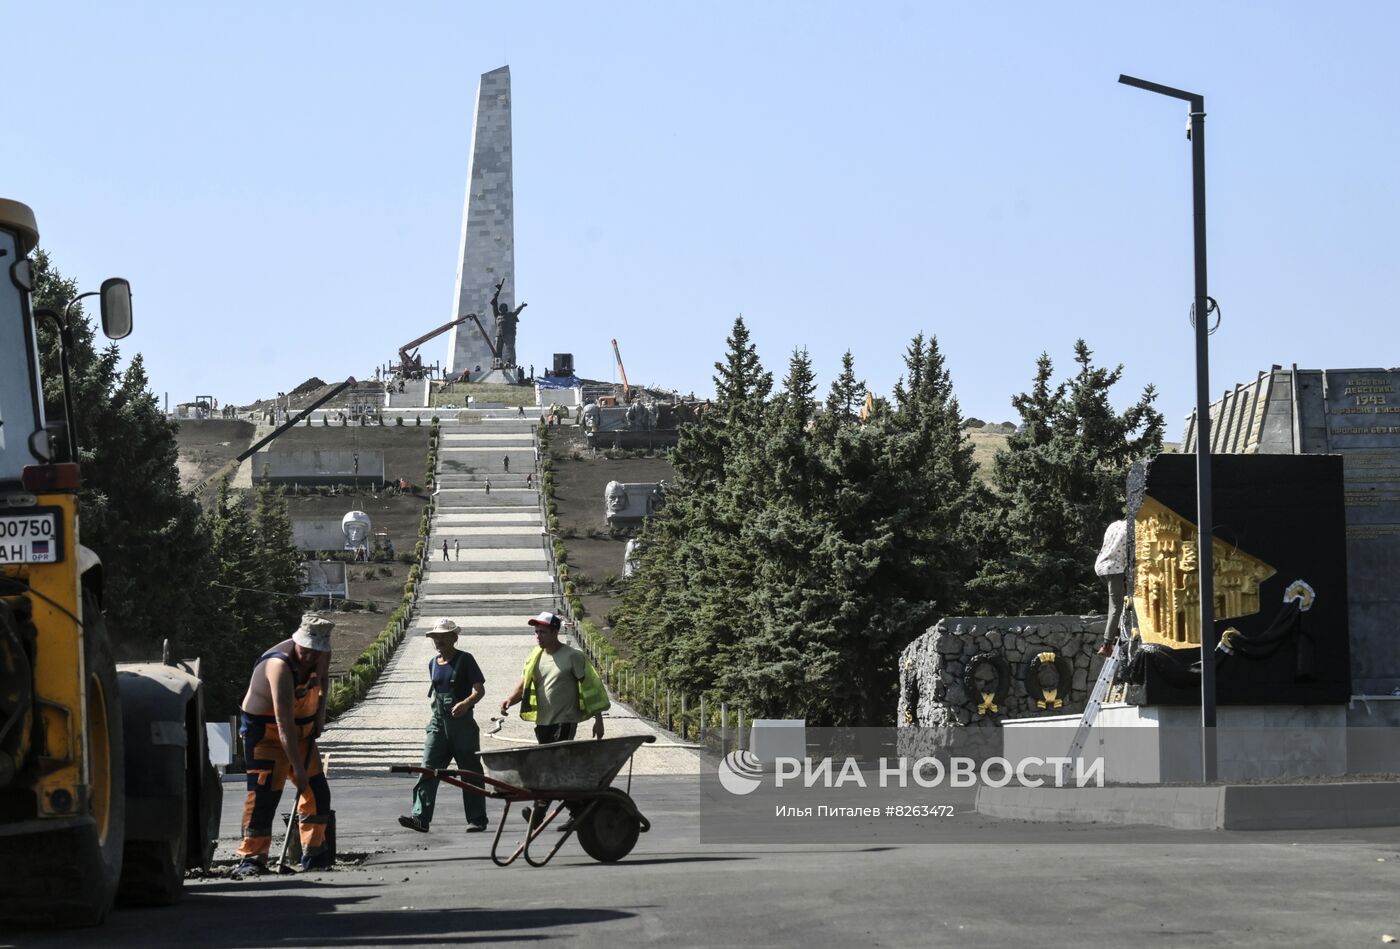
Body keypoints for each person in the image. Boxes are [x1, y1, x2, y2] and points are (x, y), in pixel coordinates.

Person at [233, 614, 335, 877]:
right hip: (266, 734)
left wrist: (320, 717)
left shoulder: (321, 653)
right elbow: (283, 723)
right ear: (296, 641)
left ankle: (314, 855)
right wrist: (298, 770)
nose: (312, 656)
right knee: (264, 794)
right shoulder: (279, 666)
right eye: (307, 650)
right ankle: (252, 858)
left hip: (302, 732)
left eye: (317, 651)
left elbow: (322, 682)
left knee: (318, 793)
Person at [500, 612, 610, 828]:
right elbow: (524, 682)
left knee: (552, 768)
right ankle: (578, 810)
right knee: (553, 770)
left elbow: (591, 688)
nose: (538, 636)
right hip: (542, 723)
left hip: (565, 721)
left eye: (542, 632)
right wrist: (510, 700)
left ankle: (537, 816)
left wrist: (598, 719)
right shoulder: (535, 656)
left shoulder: (572, 657)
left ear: (555, 632)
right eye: (536, 632)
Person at [399, 619, 489, 834]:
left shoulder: (466, 660)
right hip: (438, 725)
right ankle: (420, 818)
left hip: (463, 726)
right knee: (428, 768)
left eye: (443, 636)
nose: (438, 640)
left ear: (454, 638)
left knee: (470, 772)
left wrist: (466, 703)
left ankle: (477, 819)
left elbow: (479, 690)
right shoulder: (432, 663)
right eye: (435, 637)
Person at [1095, 519, 1129, 657]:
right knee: (1117, 606)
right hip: (1115, 568)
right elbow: (1129, 553)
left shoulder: (1114, 524)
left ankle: (1118, 630)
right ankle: (1106, 645)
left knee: (1118, 601)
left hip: (1101, 565)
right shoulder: (1131, 528)